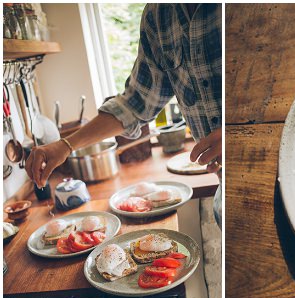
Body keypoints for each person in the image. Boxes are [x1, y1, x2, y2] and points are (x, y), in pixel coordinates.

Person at [25, 3, 223, 225]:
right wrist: (64, 146)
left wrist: (240, 135)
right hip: (225, 190)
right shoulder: (158, 16)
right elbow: (135, 103)